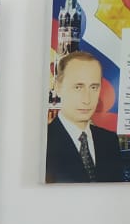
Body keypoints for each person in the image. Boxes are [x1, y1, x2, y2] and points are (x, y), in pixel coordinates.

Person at [45, 52, 126, 182]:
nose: (87, 100)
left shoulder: (109, 140)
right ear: (58, 87)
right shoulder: (42, 141)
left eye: (93, 87)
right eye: (78, 87)